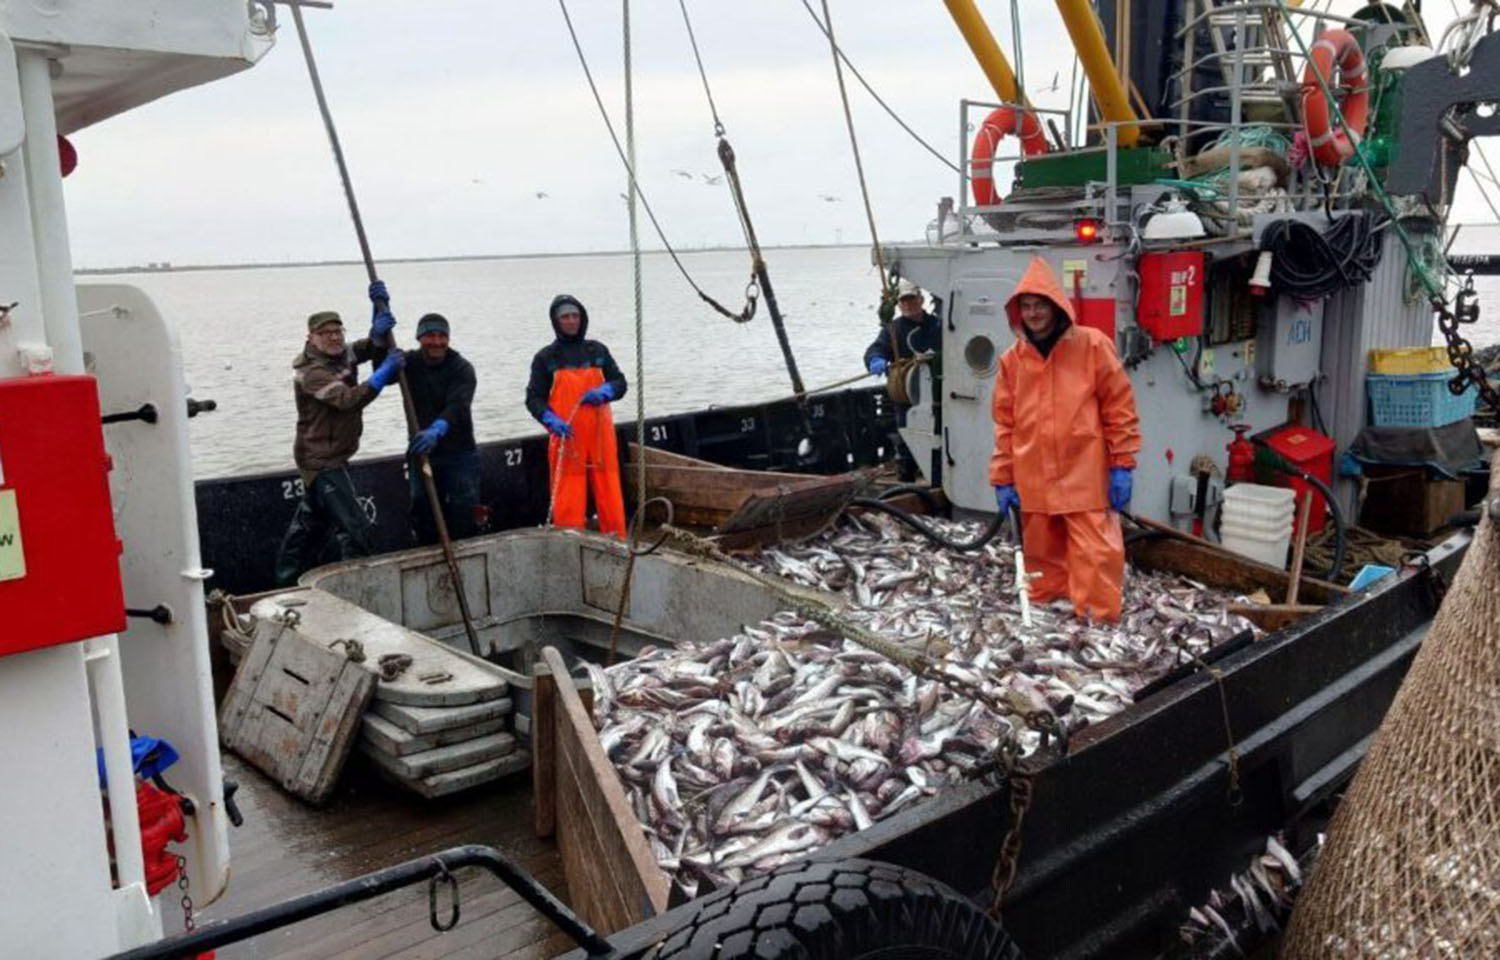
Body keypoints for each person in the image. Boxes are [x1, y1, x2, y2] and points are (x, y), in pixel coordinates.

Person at [990, 256, 1141, 622]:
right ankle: (1046, 616)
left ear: (1056, 305)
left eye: (1039, 304)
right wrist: (1003, 476)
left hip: (1084, 475)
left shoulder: (1092, 345)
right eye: (1025, 306)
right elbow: (1004, 424)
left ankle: (1097, 623)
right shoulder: (1012, 360)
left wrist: (1122, 463)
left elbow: (1119, 409)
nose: (1033, 313)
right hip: (1034, 476)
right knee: (1041, 557)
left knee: (1096, 554)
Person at [273, 281, 405, 586]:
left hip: (333, 456)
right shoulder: (311, 372)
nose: (334, 337)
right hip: (321, 459)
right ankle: (354, 589)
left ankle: (284, 583)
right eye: (325, 333)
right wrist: (382, 376)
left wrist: (378, 314)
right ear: (311, 338)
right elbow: (348, 401)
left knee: (309, 528)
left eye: (338, 331)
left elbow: (370, 346)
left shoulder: (340, 355)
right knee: (355, 528)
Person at [525, 295, 628, 538]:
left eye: (575, 316)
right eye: (565, 317)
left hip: (601, 437)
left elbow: (620, 382)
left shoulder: (597, 350)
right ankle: (570, 543)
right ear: (556, 321)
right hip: (567, 438)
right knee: (568, 497)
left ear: (582, 319)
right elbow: (533, 398)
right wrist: (550, 420)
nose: (571, 321)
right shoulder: (546, 358)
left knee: (610, 492)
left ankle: (618, 541)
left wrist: (607, 390)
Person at [404, 312, 480, 544]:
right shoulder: (407, 363)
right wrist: (378, 338)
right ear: (419, 338)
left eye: (441, 336)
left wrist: (437, 429)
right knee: (421, 506)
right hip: (421, 452)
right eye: (430, 336)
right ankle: (427, 552)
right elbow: (380, 370)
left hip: (459, 453)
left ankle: (466, 552)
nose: (437, 342)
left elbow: (457, 406)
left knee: (464, 509)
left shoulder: (462, 368)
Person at [864, 278, 941, 480]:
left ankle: (937, 479)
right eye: (903, 301)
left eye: (911, 299)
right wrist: (875, 359)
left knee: (937, 438)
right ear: (898, 304)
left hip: (937, 395)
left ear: (921, 299)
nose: (908, 304)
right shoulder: (893, 329)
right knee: (906, 443)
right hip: (906, 398)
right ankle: (906, 481)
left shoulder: (937, 325)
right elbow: (875, 348)